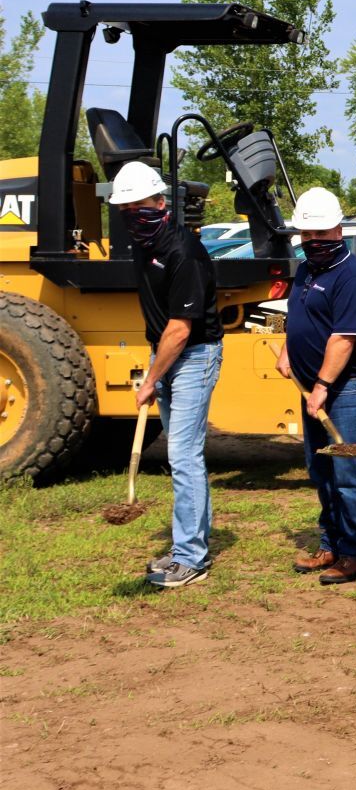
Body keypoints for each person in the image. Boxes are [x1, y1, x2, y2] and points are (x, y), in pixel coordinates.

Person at [108, 161, 224, 589]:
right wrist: (155, 360)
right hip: (168, 352)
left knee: (183, 455)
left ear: (161, 203)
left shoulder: (183, 251)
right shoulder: (145, 243)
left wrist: (151, 379)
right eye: (126, 210)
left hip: (194, 356)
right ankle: (186, 547)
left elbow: (180, 328)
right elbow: (159, 321)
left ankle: (191, 558)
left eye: (140, 207)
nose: (132, 216)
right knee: (184, 456)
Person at [276, 188, 356, 585]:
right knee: (321, 469)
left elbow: (344, 338)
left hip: (350, 390)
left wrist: (321, 384)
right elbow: (298, 316)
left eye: (321, 233)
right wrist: (289, 351)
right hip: (315, 388)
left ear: (339, 229)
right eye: (307, 235)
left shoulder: (353, 276)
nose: (313, 241)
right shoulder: (307, 270)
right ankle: (331, 544)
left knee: (349, 473)